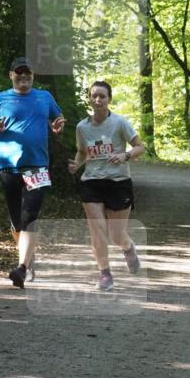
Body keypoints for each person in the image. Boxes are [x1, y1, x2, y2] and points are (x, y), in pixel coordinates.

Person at [0, 57, 66, 288]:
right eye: (19, 73)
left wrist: (57, 124)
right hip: (7, 166)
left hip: (37, 165)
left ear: (33, 75)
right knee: (17, 222)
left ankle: (22, 269)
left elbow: (57, 117)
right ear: (11, 75)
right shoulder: (0, 98)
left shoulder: (45, 97)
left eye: (27, 73)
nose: (23, 77)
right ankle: (28, 259)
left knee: (30, 217)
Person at [68, 81, 145, 291]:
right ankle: (104, 273)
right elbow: (83, 152)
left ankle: (128, 248)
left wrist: (125, 155)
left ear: (109, 98)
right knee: (97, 231)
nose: (98, 100)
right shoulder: (82, 127)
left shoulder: (120, 123)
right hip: (91, 182)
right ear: (90, 99)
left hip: (118, 182)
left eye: (102, 96)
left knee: (116, 235)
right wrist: (77, 165)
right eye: (94, 96)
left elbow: (140, 147)